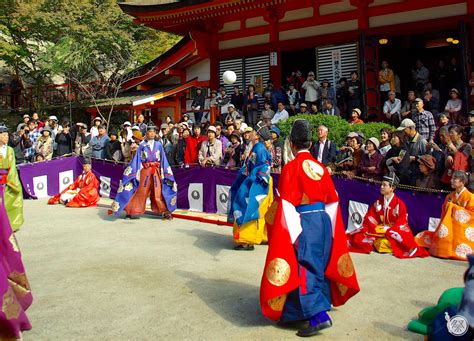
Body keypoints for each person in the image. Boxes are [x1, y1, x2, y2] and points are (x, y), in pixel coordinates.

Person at [260, 119, 359, 336]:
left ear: (292, 145)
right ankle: (299, 310)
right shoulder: (321, 168)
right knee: (319, 263)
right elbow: (333, 199)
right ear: (311, 144)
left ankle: (318, 316)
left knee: (304, 266)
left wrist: (290, 232)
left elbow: (286, 203)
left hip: (302, 220)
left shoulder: (291, 168)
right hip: (323, 219)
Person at [347, 173, 429, 258]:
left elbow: (403, 222)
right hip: (379, 231)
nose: (381, 187)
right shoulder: (379, 202)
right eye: (381, 184)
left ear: (392, 188)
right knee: (358, 237)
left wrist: (390, 230)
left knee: (385, 243)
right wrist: (374, 227)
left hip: (393, 232)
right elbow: (370, 216)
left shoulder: (399, 204)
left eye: (384, 185)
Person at [0, 125, 33, 339]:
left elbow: (11, 170)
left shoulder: (10, 151)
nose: (4, 137)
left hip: (4, 184)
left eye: (5, 134)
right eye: (1, 134)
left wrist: (11, 183)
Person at [110, 125, 177, 220]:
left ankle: (166, 212)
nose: (152, 133)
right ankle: (130, 211)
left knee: (159, 192)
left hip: (156, 171)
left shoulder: (159, 145)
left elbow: (163, 159)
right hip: (144, 171)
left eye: (154, 131)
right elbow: (137, 159)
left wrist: (165, 171)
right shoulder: (142, 145)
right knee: (140, 191)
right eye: (150, 131)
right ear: (146, 133)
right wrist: (134, 172)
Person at [228, 121, 273, 251]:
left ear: (257, 136)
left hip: (258, 181)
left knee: (249, 205)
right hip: (257, 179)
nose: (251, 134)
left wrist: (250, 180)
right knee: (261, 210)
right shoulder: (256, 147)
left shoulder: (259, 148)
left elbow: (262, 167)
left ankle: (247, 240)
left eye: (253, 132)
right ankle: (263, 236)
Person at [415, 171, 474, 260]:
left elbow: (471, 216)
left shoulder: (470, 197)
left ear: (462, 182)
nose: (451, 180)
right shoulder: (450, 196)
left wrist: (453, 208)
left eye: (454, 179)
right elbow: (444, 214)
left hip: (463, 230)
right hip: (450, 228)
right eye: (452, 178)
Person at [0, 123, 24, 232]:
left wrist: (11, 180)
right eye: (4, 135)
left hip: (8, 179)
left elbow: (12, 167)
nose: (6, 137)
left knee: (10, 202)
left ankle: (10, 225)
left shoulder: (9, 149)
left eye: (7, 135)